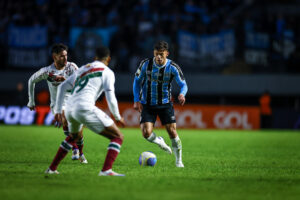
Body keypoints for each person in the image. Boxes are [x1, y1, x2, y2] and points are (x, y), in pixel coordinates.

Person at [46, 46, 126, 176]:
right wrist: (117, 117)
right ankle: (106, 170)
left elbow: (62, 87)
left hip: (70, 109)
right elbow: (110, 97)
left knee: (73, 137)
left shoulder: (83, 69)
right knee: (118, 137)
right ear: (109, 59)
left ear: (95, 58)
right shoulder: (107, 72)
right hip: (84, 107)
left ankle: (52, 169)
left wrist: (58, 111)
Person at [27, 43, 87, 163]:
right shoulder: (47, 72)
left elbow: (80, 85)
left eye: (66, 55)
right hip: (57, 105)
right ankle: (74, 148)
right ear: (54, 57)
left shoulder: (72, 67)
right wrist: (31, 100)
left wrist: (66, 81)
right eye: (61, 56)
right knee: (64, 117)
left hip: (73, 102)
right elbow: (31, 80)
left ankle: (80, 153)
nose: (65, 58)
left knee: (79, 135)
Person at [133, 41, 188, 167]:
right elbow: (137, 81)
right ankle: (160, 142)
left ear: (167, 54)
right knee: (146, 133)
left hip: (165, 104)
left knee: (172, 132)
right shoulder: (146, 64)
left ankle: (178, 160)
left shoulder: (173, 67)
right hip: (147, 103)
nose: (158, 57)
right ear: (154, 53)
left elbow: (183, 84)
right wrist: (136, 100)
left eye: (161, 54)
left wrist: (182, 94)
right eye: (156, 54)